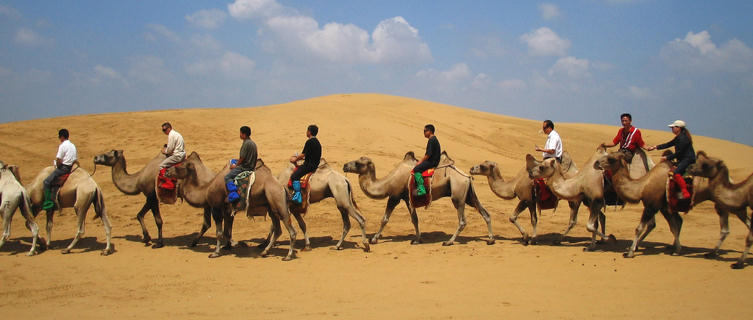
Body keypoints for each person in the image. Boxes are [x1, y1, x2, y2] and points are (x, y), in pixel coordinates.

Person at [647, 120, 695, 199]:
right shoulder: (679, 137)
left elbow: (679, 153)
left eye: (673, 127)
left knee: (676, 173)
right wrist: (655, 147)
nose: (672, 129)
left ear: (678, 128)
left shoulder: (683, 138)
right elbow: (669, 144)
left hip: (687, 159)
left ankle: (685, 192)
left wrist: (667, 157)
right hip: (682, 159)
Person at [42, 129, 77, 210]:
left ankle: (48, 202)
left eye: (59, 137)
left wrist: (58, 166)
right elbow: (75, 159)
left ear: (62, 137)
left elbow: (58, 159)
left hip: (64, 168)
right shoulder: (73, 145)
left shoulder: (62, 146)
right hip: (72, 167)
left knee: (46, 182)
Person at [289, 125, 322, 203]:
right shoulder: (317, 142)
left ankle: (297, 196)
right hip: (315, 164)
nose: (306, 132)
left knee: (294, 176)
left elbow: (303, 154)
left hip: (309, 166)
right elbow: (310, 155)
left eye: (307, 131)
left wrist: (295, 159)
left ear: (309, 132)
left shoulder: (309, 141)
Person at [225, 126, 258, 203]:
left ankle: (234, 194)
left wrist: (235, 166)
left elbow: (242, 158)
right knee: (233, 160)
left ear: (244, 134)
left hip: (245, 167)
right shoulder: (252, 143)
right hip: (251, 164)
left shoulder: (246, 144)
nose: (239, 135)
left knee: (227, 177)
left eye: (240, 133)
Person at [413, 124, 441, 196]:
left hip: (432, 162)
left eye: (425, 131)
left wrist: (420, 162)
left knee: (416, 169)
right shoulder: (434, 139)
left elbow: (428, 155)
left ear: (430, 131)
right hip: (434, 161)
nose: (424, 133)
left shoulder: (431, 140)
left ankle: (421, 189)